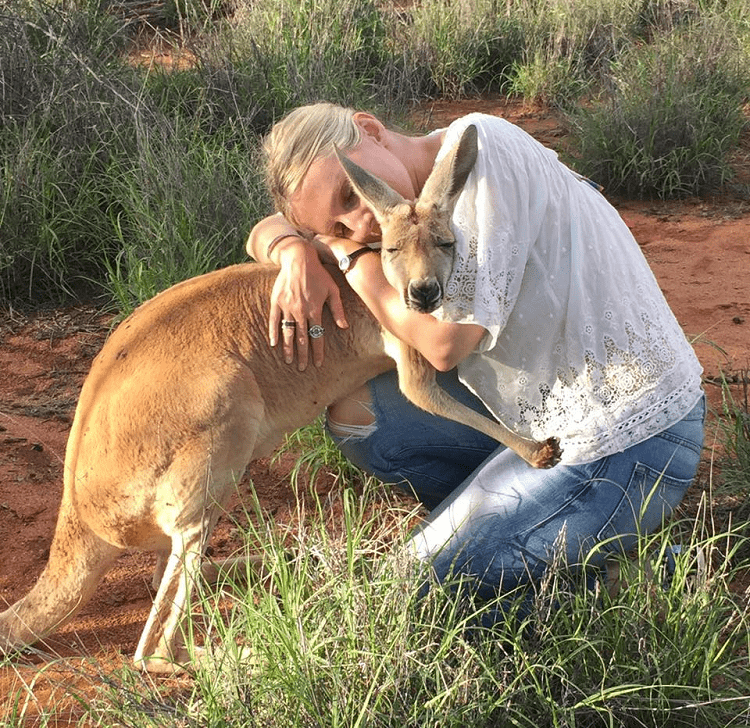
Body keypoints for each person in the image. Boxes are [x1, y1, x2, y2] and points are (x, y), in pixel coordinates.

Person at [246, 101, 705, 608]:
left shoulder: (482, 149)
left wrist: (348, 256)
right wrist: (291, 248)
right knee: (369, 420)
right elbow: (264, 229)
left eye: (351, 194)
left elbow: (445, 346)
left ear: (370, 129)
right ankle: (533, 534)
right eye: (339, 225)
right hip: (540, 419)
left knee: (416, 594)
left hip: (627, 436)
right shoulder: (416, 201)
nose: (361, 223)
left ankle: (634, 582)